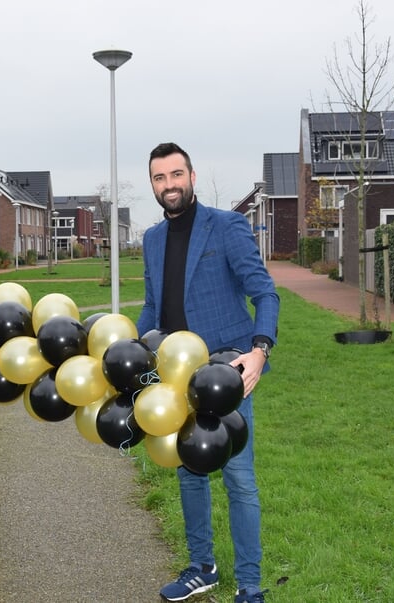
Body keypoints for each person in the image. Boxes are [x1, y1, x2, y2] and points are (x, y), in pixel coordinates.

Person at [137, 142, 279, 603]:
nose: (169, 185)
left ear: (192, 177)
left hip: (226, 371)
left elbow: (265, 294)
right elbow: (152, 308)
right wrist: (135, 353)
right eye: (160, 178)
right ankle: (202, 567)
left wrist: (259, 351)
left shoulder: (228, 226)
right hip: (177, 375)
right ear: (153, 185)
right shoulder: (152, 239)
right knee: (188, 472)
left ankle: (251, 587)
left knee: (239, 479)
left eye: (176, 175)